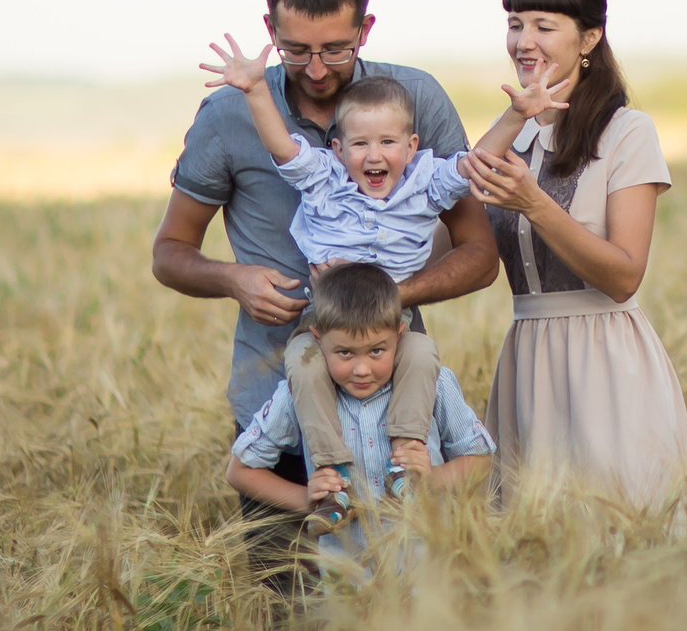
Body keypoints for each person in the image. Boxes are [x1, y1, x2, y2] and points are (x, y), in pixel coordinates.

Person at [151, 0, 501, 488]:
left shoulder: (417, 99)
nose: (316, 69)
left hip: (394, 398)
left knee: (401, 570)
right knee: (280, 572)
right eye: (295, 50)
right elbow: (169, 253)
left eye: (336, 50)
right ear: (270, 29)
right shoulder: (227, 114)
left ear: (366, 28)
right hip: (272, 394)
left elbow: (479, 255)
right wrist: (233, 279)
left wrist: (372, 301)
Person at [198, 33, 567, 530]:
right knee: (303, 369)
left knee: (421, 356)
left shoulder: (425, 182)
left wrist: (518, 114)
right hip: (323, 318)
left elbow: (478, 162)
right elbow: (283, 147)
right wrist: (255, 92)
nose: (375, 156)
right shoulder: (324, 180)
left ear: (412, 147)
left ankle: (406, 460)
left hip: (395, 317)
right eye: (360, 144)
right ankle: (329, 477)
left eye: (389, 143)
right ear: (337, 148)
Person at [462, 0, 687, 510]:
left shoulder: (626, 132)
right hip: (527, 359)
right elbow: (453, 236)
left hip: (607, 361)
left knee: (618, 535)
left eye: (544, 25)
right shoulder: (510, 136)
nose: (523, 41)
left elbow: (623, 276)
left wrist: (534, 204)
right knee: (531, 550)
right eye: (515, 24)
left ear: (589, 36)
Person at [225, 264, 495, 561]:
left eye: (377, 351)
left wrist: (432, 477)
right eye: (345, 353)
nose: (362, 369)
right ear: (317, 338)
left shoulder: (435, 384)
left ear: (400, 334)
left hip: (427, 577)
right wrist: (306, 498)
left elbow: (481, 459)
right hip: (347, 583)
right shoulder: (299, 394)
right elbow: (240, 471)